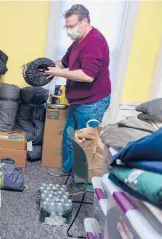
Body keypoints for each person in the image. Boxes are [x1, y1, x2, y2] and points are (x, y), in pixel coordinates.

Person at [44, 4, 111, 173]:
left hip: (92, 102)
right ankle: (67, 173)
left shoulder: (94, 41)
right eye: (66, 27)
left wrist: (58, 72)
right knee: (69, 138)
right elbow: (64, 62)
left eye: (71, 26)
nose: (68, 31)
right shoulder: (77, 41)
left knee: (85, 144)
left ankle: (80, 184)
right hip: (77, 100)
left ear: (85, 22)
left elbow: (88, 75)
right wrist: (46, 67)